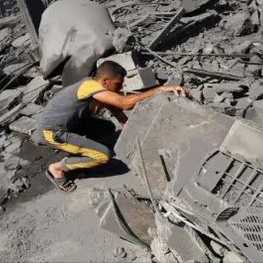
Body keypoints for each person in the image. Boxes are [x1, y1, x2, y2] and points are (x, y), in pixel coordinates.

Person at [35, 61, 189, 192]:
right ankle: (58, 169)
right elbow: (124, 103)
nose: (120, 88)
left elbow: (115, 107)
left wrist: (127, 126)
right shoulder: (88, 86)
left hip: (72, 124)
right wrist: (159, 89)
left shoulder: (97, 89)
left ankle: (83, 154)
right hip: (52, 132)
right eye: (117, 84)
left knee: (107, 128)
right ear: (105, 81)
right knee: (103, 155)